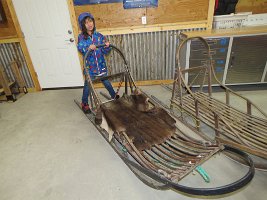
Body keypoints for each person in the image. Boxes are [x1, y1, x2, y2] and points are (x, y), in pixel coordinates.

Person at [77, 12, 117, 113]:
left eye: (90, 21)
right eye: (86, 22)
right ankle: (84, 102)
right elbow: (81, 48)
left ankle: (114, 95)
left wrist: (106, 46)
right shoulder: (82, 37)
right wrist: (88, 47)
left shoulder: (99, 36)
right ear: (83, 25)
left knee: (106, 81)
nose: (89, 24)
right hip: (90, 67)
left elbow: (104, 51)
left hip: (101, 65)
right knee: (88, 86)